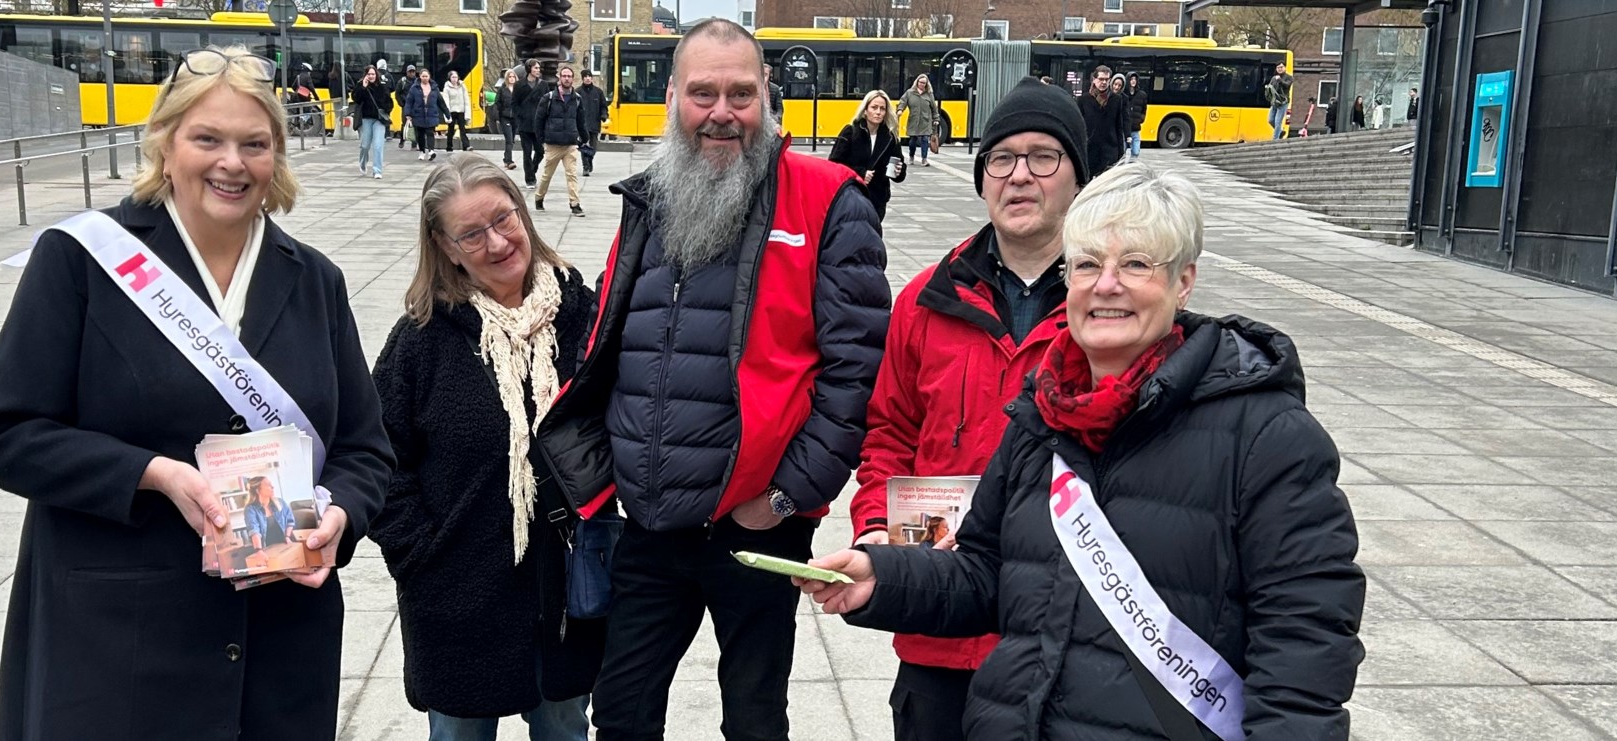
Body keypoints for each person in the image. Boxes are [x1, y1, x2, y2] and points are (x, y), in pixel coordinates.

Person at [799, 161, 1366, 740]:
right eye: (1088, 264)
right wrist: (883, 577)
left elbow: (1305, 649)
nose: (1106, 285)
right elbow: (988, 573)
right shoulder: (1040, 417)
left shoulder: (1268, 435)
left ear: (1184, 282)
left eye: (1137, 264)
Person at [0, 45, 394, 740]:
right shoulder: (82, 260)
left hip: (280, 646)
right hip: (119, 649)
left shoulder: (315, 279)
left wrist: (341, 512)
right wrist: (153, 473)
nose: (233, 163)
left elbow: (364, 450)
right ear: (165, 146)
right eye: (207, 139)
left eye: (254, 144)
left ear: (277, 156)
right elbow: (4, 434)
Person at [531, 19, 891, 741]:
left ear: (766, 96)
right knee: (622, 712)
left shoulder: (828, 201)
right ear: (673, 98)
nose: (721, 112)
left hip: (757, 525)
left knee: (754, 718)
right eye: (703, 93)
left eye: (740, 93)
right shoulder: (651, 199)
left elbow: (856, 375)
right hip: (651, 521)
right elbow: (614, 337)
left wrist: (787, 495)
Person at [848, 75, 1087, 741]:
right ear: (982, 180)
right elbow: (888, 433)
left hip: (1066, 637)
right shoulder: (927, 299)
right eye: (1001, 159)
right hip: (941, 633)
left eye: (1044, 157)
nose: (1019, 176)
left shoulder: (1110, 307)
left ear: (1079, 177)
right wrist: (876, 527)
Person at [370, 152, 601, 741]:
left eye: (503, 219)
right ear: (445, 248)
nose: (497, 242)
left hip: (564, 596)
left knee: (565, 730)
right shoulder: (421, 340)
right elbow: (378, 459)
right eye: (472, 234)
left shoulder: (581, 317)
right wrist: (421, 557)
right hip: (457, 602)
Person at [830, 90, 907, 222]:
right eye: (874, 107)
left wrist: (899, 171)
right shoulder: (850, 132)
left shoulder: (890, 137)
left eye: (882, 109)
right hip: (852, 196)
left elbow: (899, 172)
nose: (878, 112)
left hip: (877, 199)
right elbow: (834, 164)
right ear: (865, 110)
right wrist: (860, 173)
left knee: (872, 233)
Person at [533, 66, 589, 216]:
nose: (566, 78)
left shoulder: (577, 99)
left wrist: (584, 138)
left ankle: (575, 204)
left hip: (570, 144)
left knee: (572, 175)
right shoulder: (549, 98)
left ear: (573, 79)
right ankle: (539, 197)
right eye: (564, 76)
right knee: (547, 175)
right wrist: (541, 140)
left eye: (569, 76)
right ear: (559, 78)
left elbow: (581, 121)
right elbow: (539, 120)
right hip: (553, 143)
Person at [1077, 65, 1127, 179]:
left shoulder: (1116, 99)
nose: (1104, 82)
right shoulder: (1083, 100)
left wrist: (1121, 153)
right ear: (1094, 80)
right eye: (1101, 79)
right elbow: (1078, 126)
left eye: (1106, 79)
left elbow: (1119, 126)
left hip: (1109, 150)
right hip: (1089, 150)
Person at [513, 62, 550, 187]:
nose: (538, 70)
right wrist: (519, 116)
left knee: (540, 151)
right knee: (527, 153)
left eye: (539, 68)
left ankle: (532, 170)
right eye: (536, 68)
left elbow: (547, 103)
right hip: (525, 124)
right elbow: (514, 103)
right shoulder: (519, 85)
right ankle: (529, 179)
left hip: (539, 124)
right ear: (529, 69)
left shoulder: (543, 85)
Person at [355, 64, 394, 179]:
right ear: (365, 75)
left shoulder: (382, 86)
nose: (371, 76)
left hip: (379, 120)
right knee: (365, 145)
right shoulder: (360, 85)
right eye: (369, 74)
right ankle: (362, 163)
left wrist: (386, 110)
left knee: (378, 145)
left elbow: (389, 101)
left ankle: (377, 170)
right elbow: (356, 99)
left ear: (376, 75)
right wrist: (363, 87)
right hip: (366, 118)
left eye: (373, 74)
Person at [402, 67, 445, 162]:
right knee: (420, 135)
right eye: (423, 76)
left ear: (429, 76)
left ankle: (431, 151)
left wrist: (447, 113)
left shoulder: (434, 88)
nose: (425, 78)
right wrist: (408, 113)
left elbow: (440, 101)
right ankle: (422, 151)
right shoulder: (414, 88)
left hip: (431, 114)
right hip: (418, 114)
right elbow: (409, 101)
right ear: (420, 77)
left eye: (426, 76)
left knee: (430, 133)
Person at [242, 476, 296, 550]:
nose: (272, 487)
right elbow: (254, 531)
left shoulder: (280, 502)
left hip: (284, 544)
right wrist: (259, 550)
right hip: (266, 548)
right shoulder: (250, 509)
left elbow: (290, 521)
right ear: (258, 490)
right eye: (268, 485)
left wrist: (287, 536)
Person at [898, 74, 940, 166]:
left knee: (925, 139)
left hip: (925, 121)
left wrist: (936, 118)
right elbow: (903, 102)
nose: (922, 84)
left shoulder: (929, 94)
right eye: (920, 82)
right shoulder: (909, 93)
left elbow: (934, 108)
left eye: (924, 83)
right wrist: (900, 110)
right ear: (917, 82)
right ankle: (911, 157)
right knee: (912, 141)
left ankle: (924, 160)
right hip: (913, 120)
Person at [576, 69, 609, 176]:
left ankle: (590, 159)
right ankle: (585, 167)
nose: (587, 78)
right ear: (582, 78)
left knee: (593, 147)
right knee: (584, 146)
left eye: (589, 76)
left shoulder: (598, 92)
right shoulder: (578, 92)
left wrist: (604, 115)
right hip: (582, 125)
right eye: (585, 76)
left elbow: (603, 106)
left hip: (594, 124)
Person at [442, 69, 474, 152]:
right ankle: (449, 146)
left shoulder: (462, 86)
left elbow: (466, 99)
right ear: (450, 78)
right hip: (452, 111)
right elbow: (446, 101)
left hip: (461, 111)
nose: (454, 79)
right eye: (453, 77)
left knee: (462, 129)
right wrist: (447, 113)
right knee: (451, 129)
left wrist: (467, 111)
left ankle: (466, 146)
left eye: (456, 77)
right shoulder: (447, 88)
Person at [497, 68, 521, 170]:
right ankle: (509, 161)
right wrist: (501, 113)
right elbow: (497, 102)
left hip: (515, 118)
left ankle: (506, 158)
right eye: (510, 77)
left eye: (513, 77)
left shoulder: (518, 89)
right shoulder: (502, 89)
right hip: (505, 117)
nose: (511, 78)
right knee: (509, 140)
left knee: (512, 140)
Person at [1267, 62, 1294, 140]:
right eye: (1278, 67)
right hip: (1274, 101)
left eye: (1281, 67)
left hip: (1283, 102)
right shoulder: (1274, 78)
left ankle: (1275, 139)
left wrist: (1279, 80)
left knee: (1278, 121)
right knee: (1270, 120)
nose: (1280, 69)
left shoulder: (1289, 77)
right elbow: (1270, 87)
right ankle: (1280, 132)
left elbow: (1287, 85)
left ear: (1285, 68)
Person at [1124, 74, 1148, 159]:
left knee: (1135, 152)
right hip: (1124, 129)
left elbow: (1144, 109)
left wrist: (1141, 119)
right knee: (1122, 152)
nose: (1133, 81)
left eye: (1135, 79)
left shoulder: (1142, 95)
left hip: (1135, 128)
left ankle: (1132, 165)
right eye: (1131, 79)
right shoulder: (1123, 94)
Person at [398, 63, 421, 150]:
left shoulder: (418, 81)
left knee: (415, 124)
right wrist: (401, 103)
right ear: (407, 72)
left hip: (415, 106)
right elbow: (397, 93)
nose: (412, 73)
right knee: (405, 123)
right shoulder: (402, 81)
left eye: (413, 72)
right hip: (406, 106)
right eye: (410, 72)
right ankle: (402, 140)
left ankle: (414, 144)